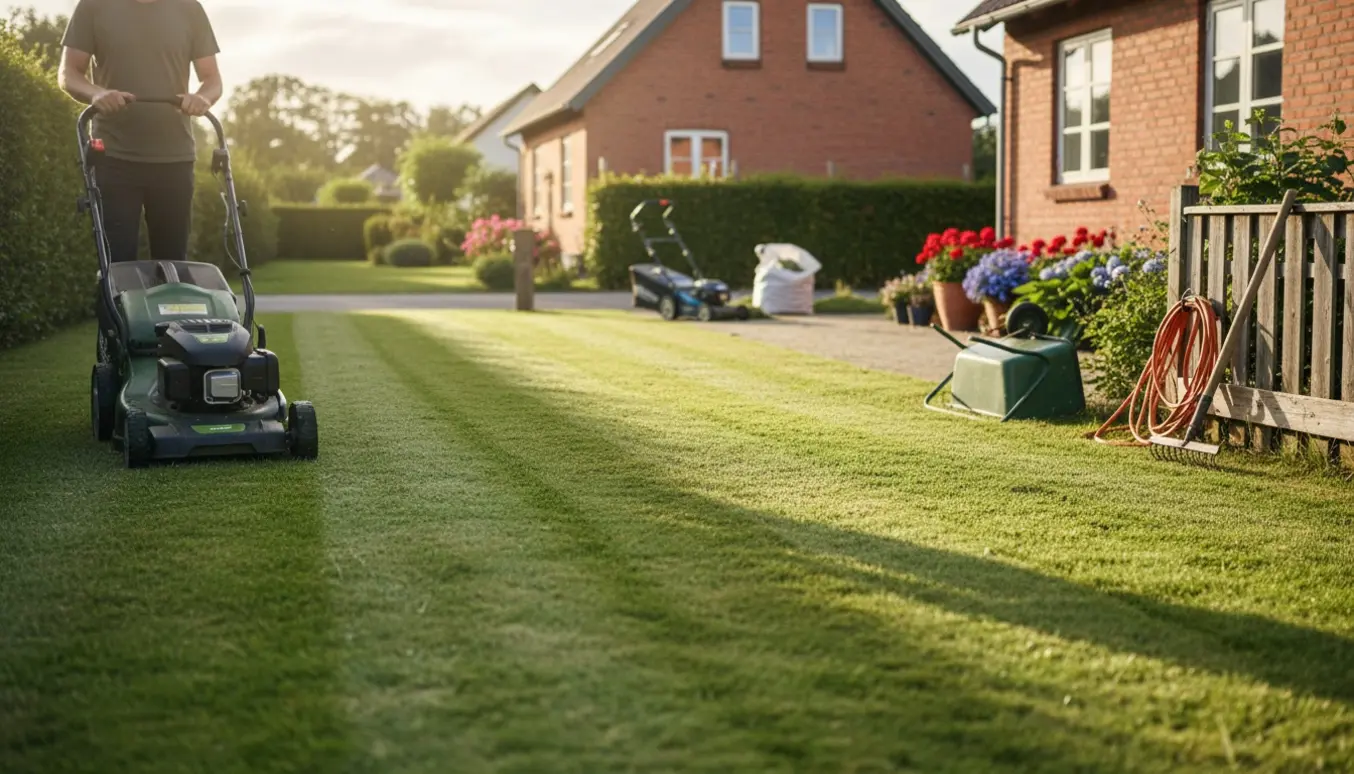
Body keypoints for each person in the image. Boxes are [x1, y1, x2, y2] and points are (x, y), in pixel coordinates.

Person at [58, 0, 223, 265]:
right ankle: (112, 307)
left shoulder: (189, 8)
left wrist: (202, 98)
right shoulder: (93, 6)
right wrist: (97, 93)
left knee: (174, 265)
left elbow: (212, 79)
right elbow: (69, 73)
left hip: (174, 159)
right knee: (116, 267)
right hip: (113, 158)